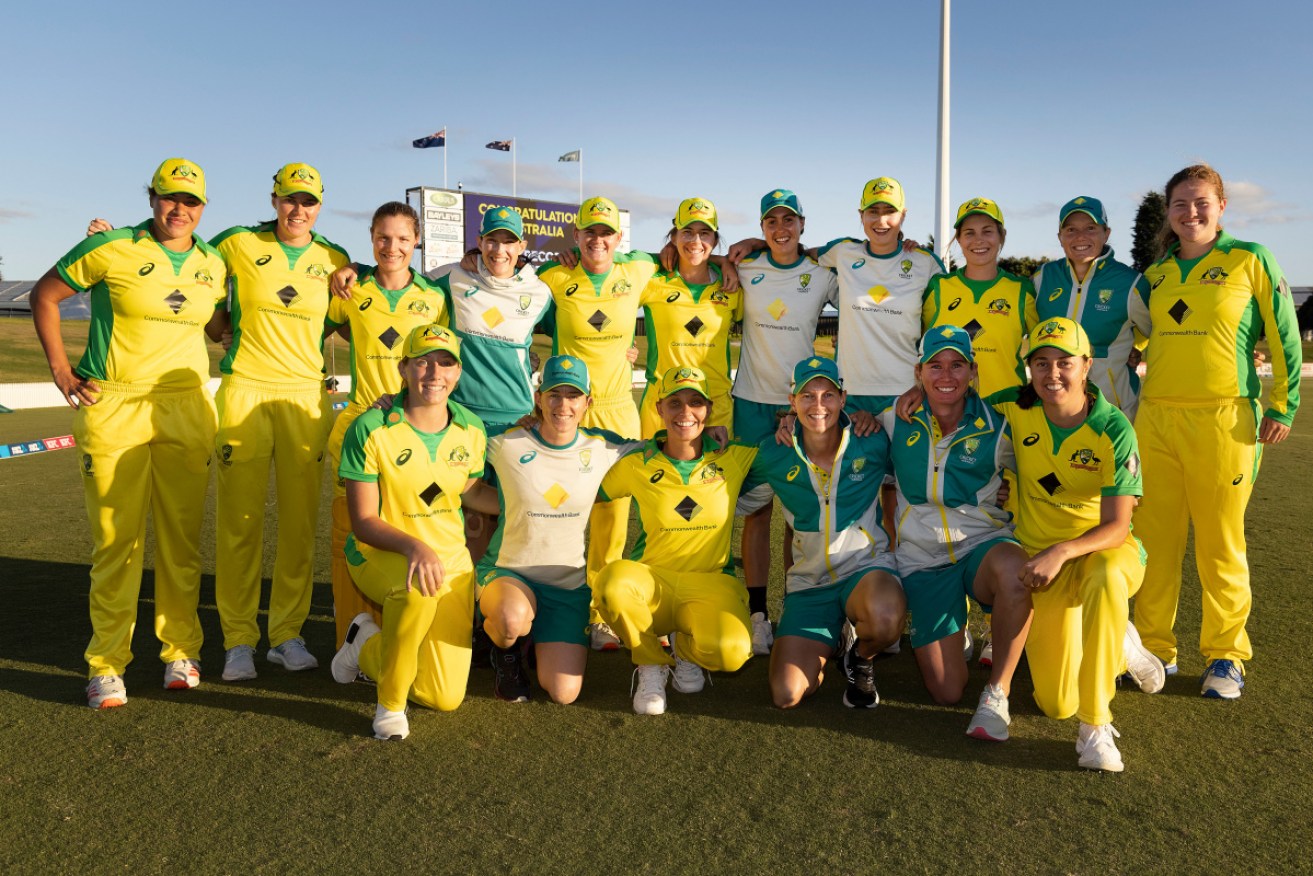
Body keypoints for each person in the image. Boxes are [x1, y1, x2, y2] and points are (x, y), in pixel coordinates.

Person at [31, 158, 228, 707]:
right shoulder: (111, 248)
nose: (179, 209)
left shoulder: (214, 263)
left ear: (203, 208)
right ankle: (106, 663)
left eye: (191, 202)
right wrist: (61, 370)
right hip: (114, 404)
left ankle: (180, 650)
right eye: (170, 198)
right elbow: (43, 296)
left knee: (181, 542)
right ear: (152, 198)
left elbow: (216, 324)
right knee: (117, 544)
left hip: (186, 408)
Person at [1132, 164, 1301, 698]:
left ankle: (1226, 656)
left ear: (1221, 205)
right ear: (1169, 213)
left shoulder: (1249, 258)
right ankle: (1155, 649)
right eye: (1180, 204)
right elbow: (1134, 342)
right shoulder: (1155, 275)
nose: (1191, 212)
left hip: (1225, 420)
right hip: (1155, 418)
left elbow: (1284, 332)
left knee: (1220, 543)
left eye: (1201, 201)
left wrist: (1284, 403)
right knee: (1154, 544)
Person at [988, 317, 1164, 771]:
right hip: (1041, 565)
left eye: (1065, 362)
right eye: (1041, 362)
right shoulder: (1014, 406)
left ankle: (1095, 728)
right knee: (1054, 702)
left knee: (1105, 577)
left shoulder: (1113, 428)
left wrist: (1063, 550)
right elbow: (950, 403)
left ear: (1087, 365)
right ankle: (1118, 645)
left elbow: (1118, 527)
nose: (1052, 374)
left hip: (1102, 552)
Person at [206, 163, 350, 680]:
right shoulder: (237, 243)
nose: (298, 210)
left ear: (319, 205)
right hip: (244, 389)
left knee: (296, 525)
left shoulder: (333, 259)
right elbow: (184, 272)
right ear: (274, 199)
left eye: (308, 201)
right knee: (239, 524)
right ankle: (238, 640)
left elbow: (346, 322)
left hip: (304, 399)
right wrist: (218, 326)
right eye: (290, 199)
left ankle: (285, 634)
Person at [330, 324, 485, 741]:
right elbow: (363, 520)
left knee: (444, 697)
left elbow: (470, 491)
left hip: (451, 563)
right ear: (403, 368)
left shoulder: (471, 428)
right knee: (415, 589)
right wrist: (415, 546)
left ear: (458, 372)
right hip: (378, 551)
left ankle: (364, 644)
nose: (434, 373)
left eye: (445, 363)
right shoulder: (371, 427)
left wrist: (527, 501)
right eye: (422, 362)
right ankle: (390, 706)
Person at [880, 326, 1032, 740]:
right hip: (922, 559)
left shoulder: (1000, 427)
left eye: (957, 365)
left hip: (981, 547)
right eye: (935, 365)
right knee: (947, 691)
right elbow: (833, 433)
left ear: (973, 371)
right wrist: (790, 424)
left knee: (1017, 574)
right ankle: (957, 625)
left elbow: (1048, 470)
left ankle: (997, 693)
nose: (946, 375)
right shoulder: (894, 421)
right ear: (919, 372)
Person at [466, 356, 640, 704]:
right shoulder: (505, 441)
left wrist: (708, 436)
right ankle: (506, 652)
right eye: (554, 394)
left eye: (573, 395)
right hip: (508, 574)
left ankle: (534, 638)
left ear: (588, 402)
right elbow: (450, 452)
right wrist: (394, 404)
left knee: (564, 692)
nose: (563, 405)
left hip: (567, 586)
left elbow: (668, 450)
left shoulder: (605, 447)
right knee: (512, 620)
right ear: (538, 398)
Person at [536, 197, 666, 650]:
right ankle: (558, 602)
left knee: (612, 516)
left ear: (618, 239)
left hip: (616, 408)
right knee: (563, 509)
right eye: (589, 231)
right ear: (576, 236)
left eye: (605, 232)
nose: (597, 239)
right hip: (568, 409)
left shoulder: (637, 271)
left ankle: (600, 614)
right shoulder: (554, 277)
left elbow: (679, 257)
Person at [741, 357, 905, 710]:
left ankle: (860, 657)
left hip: (865, 569)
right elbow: (732, 497)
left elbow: (918, 473)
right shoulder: (774, 453)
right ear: (792, 402)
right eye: (807, 396)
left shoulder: (872, 441)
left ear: (843, 399)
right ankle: (833, 639)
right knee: (787, 694)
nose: (818, 405)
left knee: (887, 619)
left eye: (828, 395)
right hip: (810, 583)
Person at [595, 366, 757, 715]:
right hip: (652, 582)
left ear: (709, 410)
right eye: (675, 403)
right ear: (659, 408)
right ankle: (652, 664)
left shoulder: (735, 456)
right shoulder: (635, 463)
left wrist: (790, 426)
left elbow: (790, 449)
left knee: (732, 652)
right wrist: (536, 424)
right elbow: (582, 475)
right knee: (612, 583)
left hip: (711, 582)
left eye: (695, 403)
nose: (686, 413)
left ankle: (685, 648)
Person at [324, 202, 448, 646]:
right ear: (371, 239)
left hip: (414, 431)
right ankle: (351, 640)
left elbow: (443, 362)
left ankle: (407, 629)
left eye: (401, 239)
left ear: (416, 242)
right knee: (352, 538)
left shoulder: (435, 298)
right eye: (382, 238)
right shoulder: (350, 290)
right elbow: (314, 330)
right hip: (360, 426)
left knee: (406, 527)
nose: (391, 247)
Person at [732, 189, 838, 655]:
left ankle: (801, 603)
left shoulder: (820, 273)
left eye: (789, 220)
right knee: (756, 512)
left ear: (802, 225)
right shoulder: (745, 267)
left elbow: (865, 282)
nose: (781, 228)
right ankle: (758, 614)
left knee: (804, 511)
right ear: (762, 228)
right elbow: (708, 263)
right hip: (751, 405)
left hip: (803, 404)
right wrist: (730, 251)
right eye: (772, 221)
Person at [1032, 197, 1151, 420]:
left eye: (1090, 228)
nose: (1080, 237)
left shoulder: (1131, 283)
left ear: (1106, 233)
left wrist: (1135, 347)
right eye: (1071, 230)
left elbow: (1157, 331)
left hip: (1113, 409)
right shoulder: (1043, 277)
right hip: (1053, 409)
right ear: (1060, 237)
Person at [921, 197, 1037, 398]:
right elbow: (921, 349)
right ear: (958, 239)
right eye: (969, 233)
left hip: (1007, 411)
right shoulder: (938, 287)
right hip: (947, 410)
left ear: (1001, 236)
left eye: (987, 231)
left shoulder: (1021, 290)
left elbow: (1040, 353)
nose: (978, 240)